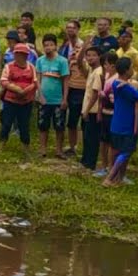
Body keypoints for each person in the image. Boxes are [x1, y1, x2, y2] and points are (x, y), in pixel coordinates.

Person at [103, 57, 138, 187]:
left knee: (117, 150)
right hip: (126, 124)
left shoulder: (117, 83)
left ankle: (118, 177)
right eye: (131, 68)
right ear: (126, 70)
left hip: (116, 123)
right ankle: (110, 178)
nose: (133, 70)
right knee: (126, 152)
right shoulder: (125, 87)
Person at [0, 43, 39, 159]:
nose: (20, 56)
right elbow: (4, 81)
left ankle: (26, 148)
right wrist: (16, 89)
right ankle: (1, 145)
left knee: (24, 125)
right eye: (18, 54)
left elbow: (35, 82)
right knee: (6, 123)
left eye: (23, 54)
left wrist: (25, 90)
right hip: (10, 100)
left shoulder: (31, 67)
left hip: (26, 101)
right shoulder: (9, 66)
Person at [35, 35, 70, 158]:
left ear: (55, 46)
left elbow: (66, 81)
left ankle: (59, 150)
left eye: (51, 45)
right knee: (43, 125)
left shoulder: (62, 61)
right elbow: (37, 79)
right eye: (46, 45)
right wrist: (39, 95)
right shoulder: (40, 61)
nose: (48, 47)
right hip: (44, 99)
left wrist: (65, 99)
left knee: (59, 126)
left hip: (58, 99)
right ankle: (42, 149)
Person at [61, 19, 88, 158]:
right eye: (68, 27)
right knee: (71, 119)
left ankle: (83, 146)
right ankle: (72, 146)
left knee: (83, 119)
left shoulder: (82, 46)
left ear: (78, 30)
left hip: (81, 86)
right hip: (68, 84)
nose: (70, 30)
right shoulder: (65, 45)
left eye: (72, 28)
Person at [79, 47, 105, 172]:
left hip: (92, 111)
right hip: (87, 109)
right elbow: (79, 63)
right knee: (86, 137)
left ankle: (90, 163)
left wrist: (87, 110)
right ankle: (85, 160)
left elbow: (95, 94)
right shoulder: (91, 70)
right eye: (88, 55)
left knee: (92, 138)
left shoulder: (99, 72)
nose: (90, 58)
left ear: (99, 56)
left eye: (93, 55)